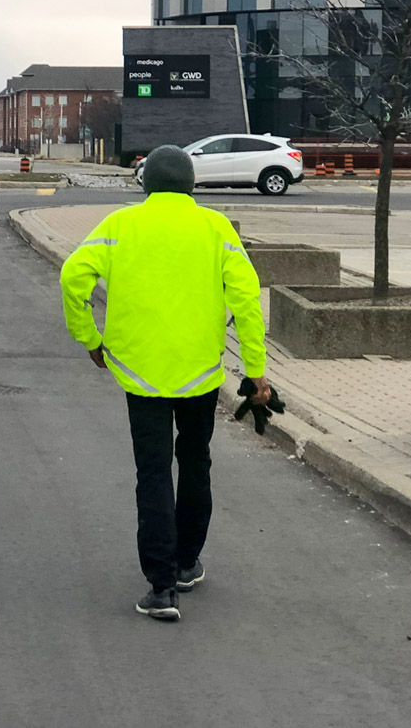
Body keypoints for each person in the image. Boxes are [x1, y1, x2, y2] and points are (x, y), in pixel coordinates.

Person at [59, 145, 270, 623]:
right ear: (191, 184)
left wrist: (89, 337)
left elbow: (73, 276)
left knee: (152, 471)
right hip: (200, 372)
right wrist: (255, 368)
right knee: (195, 461)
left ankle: (161, 587)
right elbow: (247, 298)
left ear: (146, 183)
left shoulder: (120, 225)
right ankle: (187, 562)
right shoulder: (216, 228)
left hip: (141, 373)